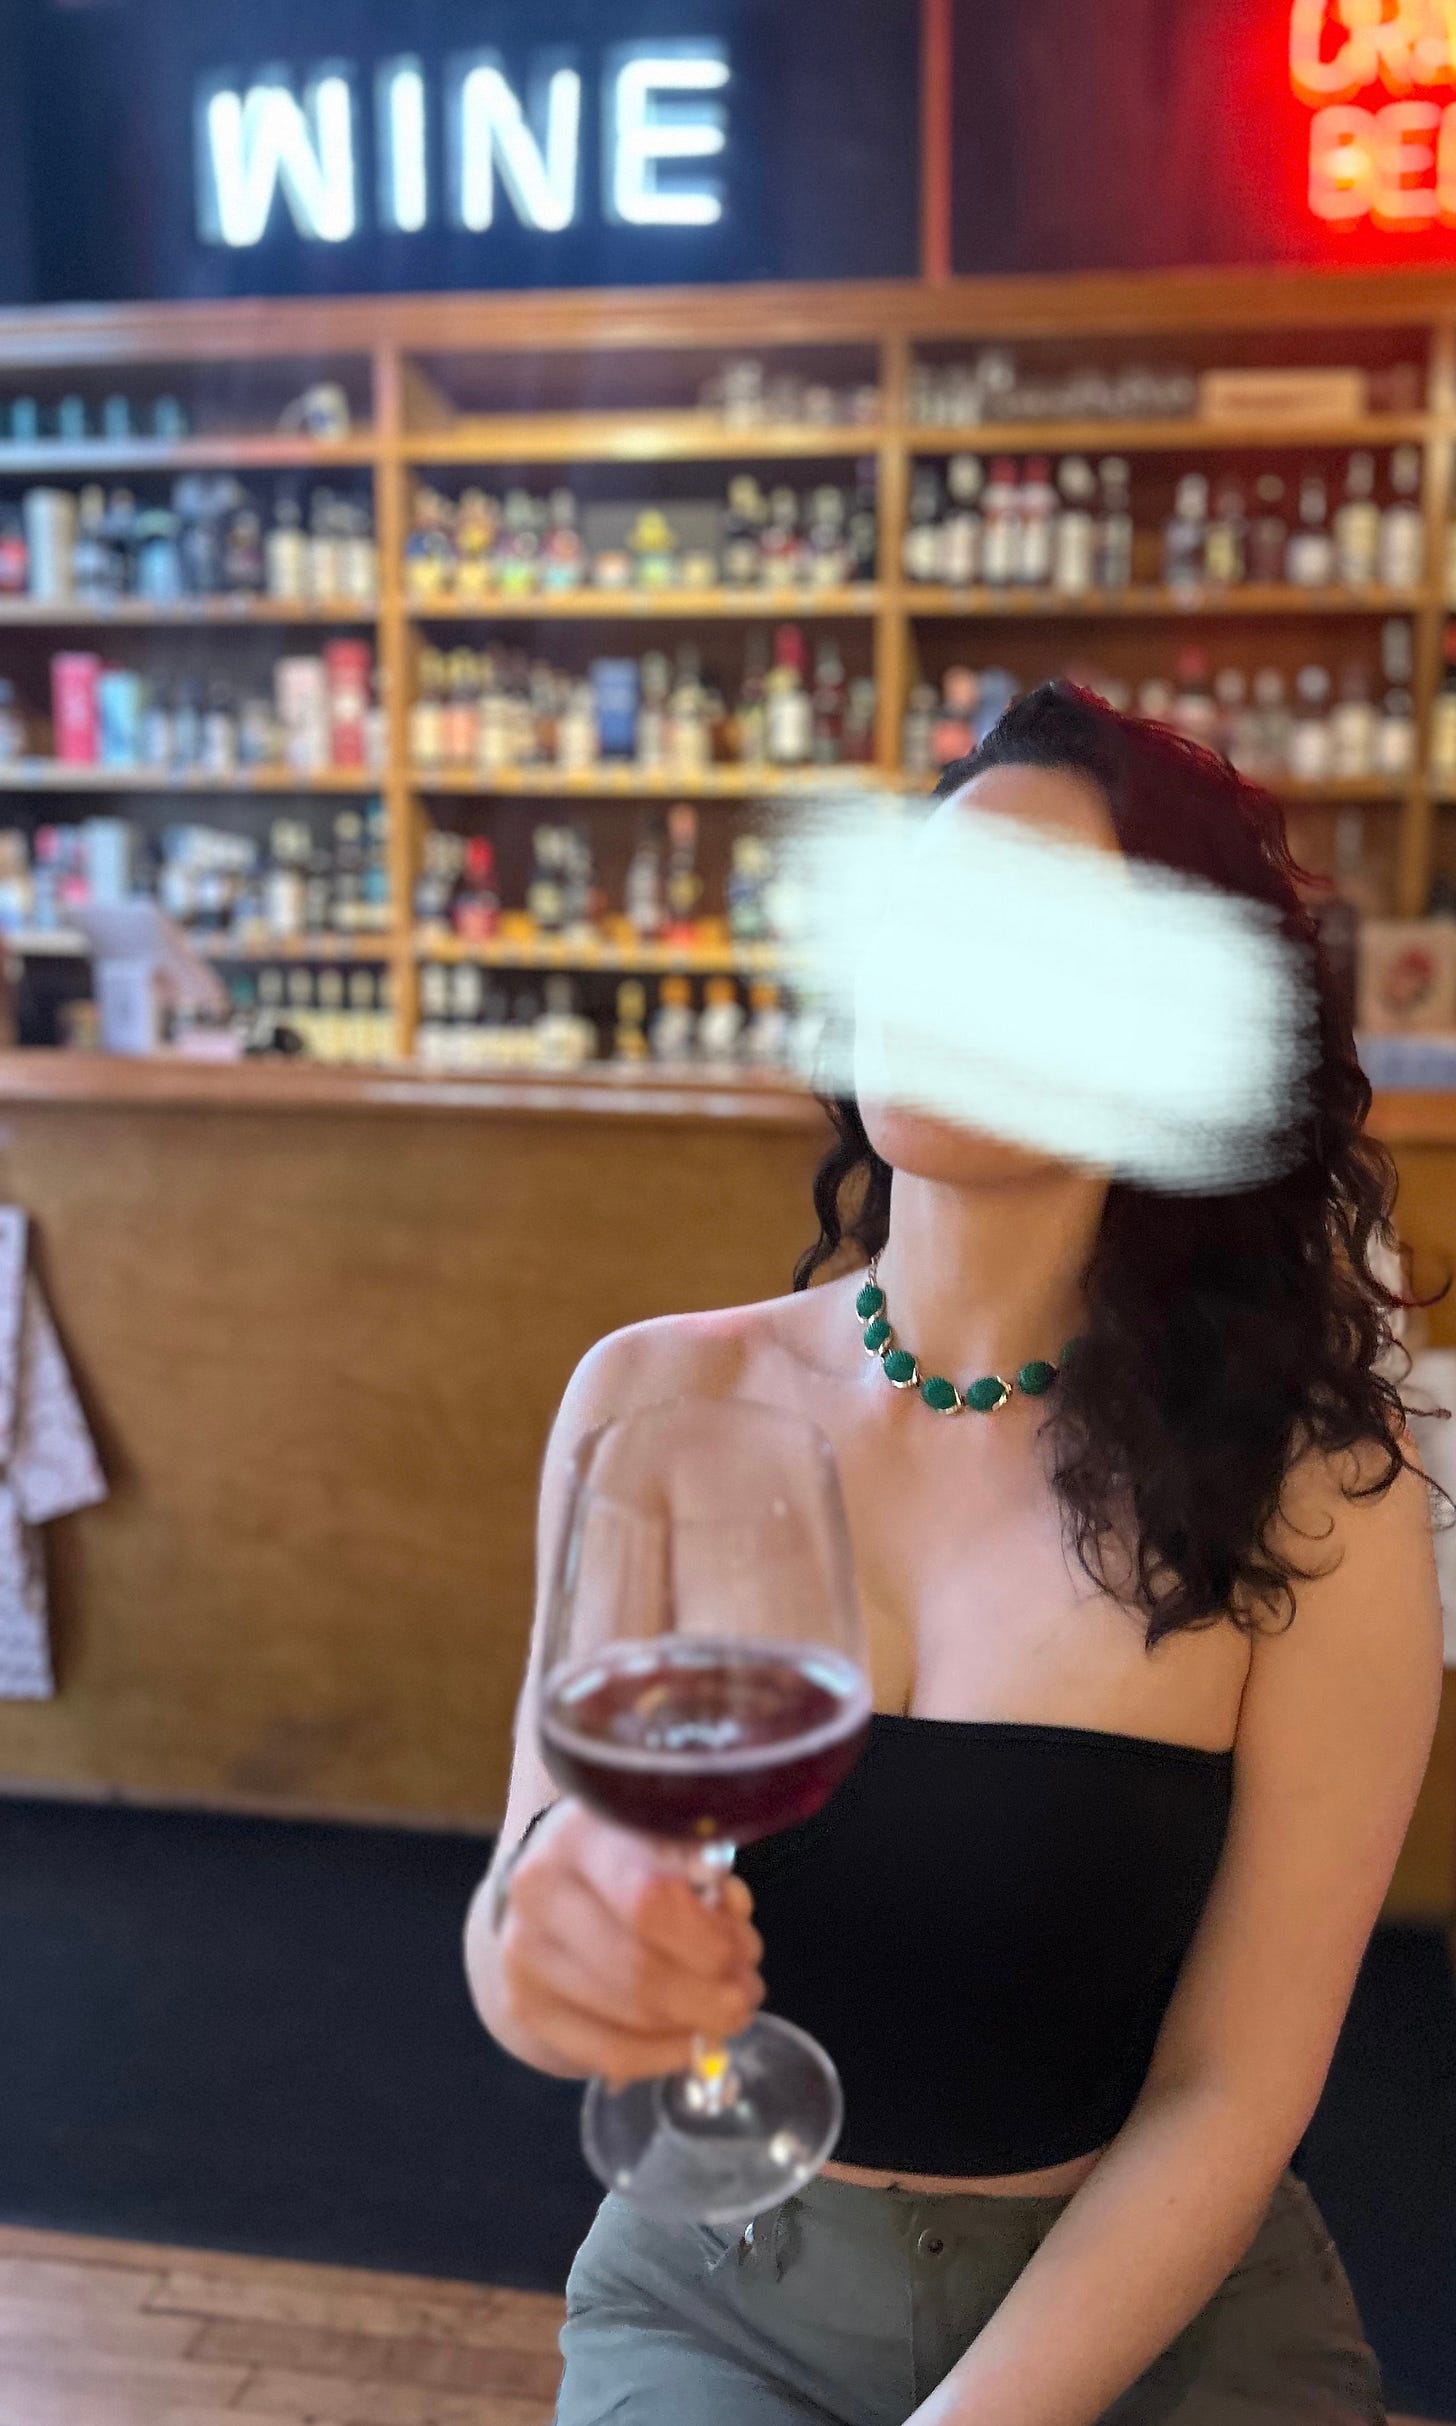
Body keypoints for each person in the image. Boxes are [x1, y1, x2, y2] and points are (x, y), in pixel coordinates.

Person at [464, 680, 1446, 2425]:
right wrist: (550, 1955)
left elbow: (1234, 2091)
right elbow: (529, 1907)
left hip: (1157, 2311)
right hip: (715, 2289)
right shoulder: (654, 1402)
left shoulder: (1320, 1497)